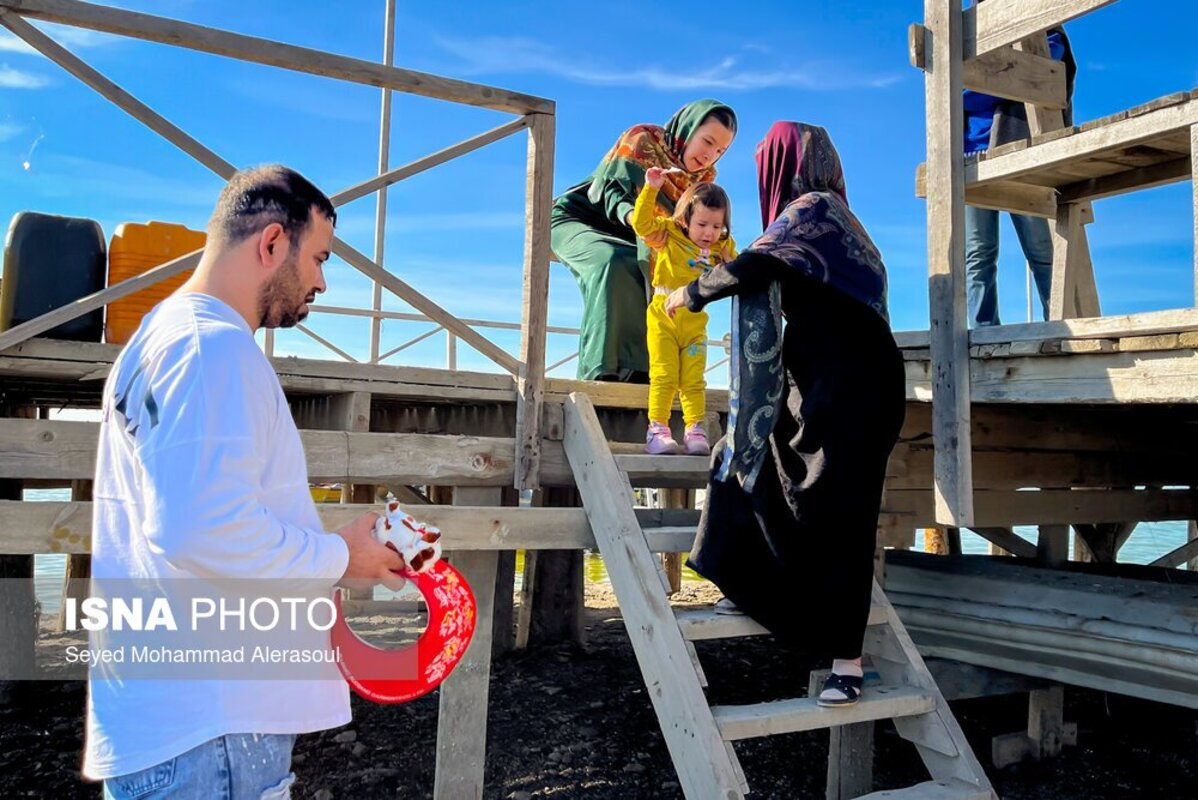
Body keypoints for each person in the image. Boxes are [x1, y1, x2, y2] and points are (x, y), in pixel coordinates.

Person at [84, 165, 407, 796]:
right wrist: (344, 556)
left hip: (170, 721)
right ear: (271, 244)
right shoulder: (212, 349)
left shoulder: (156, 338)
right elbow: (202, 528)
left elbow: (197, 514)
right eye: (317, 257)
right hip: (211, 732)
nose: (321, 280)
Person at [665, 123, 905, 707]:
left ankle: (847, 660)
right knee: (741, 454)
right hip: (840, 383)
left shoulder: (814, 209)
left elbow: (754, 266)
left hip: (845, 388)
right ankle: (747, 582)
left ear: (784, 163)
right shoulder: (846, 225)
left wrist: (688, 294)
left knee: (838, 509)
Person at [551, 99, 737, 382]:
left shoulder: (699, 184)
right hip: (581, 219)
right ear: (688, 129)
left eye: (720, 150)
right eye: (707, 141)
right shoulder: (644, 141)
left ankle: (640, 371)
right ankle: (601, 371)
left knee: (657, 276)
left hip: (637, 236)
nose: (709, 155)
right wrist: (635, 223)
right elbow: (612, 193)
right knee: (613, 261)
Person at [963, 20, 1076, 326]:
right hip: (969, 157)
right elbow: (959, 89)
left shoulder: (1042, 22)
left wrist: (986, 81)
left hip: (1021, 151)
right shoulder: (969, 32)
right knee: (977, 255)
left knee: (1042, 249)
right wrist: (998, 82)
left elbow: (1042, 69)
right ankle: (983, 330)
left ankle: (1059, 323)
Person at [631, 167, 736, 454]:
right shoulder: (668, 234)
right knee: (664, 374)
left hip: (695, 323)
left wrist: (729, 259)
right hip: (664, 317)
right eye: (702, 224)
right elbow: (641, 224)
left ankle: (694, 429)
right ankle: (658, 429)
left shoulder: (720, 247)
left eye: (717, 226)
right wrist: (651, 188)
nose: (709, 233)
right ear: (686, 218)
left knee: (692, 379)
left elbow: (736, 273)